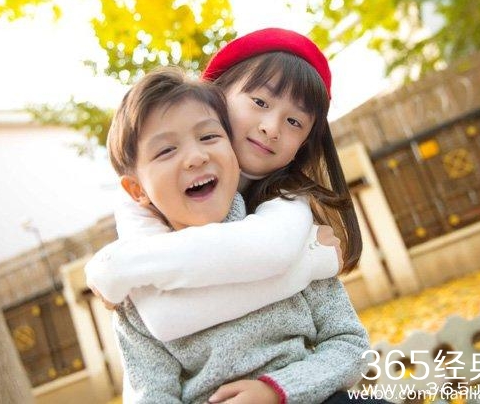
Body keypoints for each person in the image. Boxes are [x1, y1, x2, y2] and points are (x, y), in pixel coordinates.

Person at [103, 65, 371, 404]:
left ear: (232, 147)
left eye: (208, 137)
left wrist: (277, 390)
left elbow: (350, 344)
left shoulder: (294, 239)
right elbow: (152, 395)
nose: (196, 157)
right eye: (166, 150)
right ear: (136, 189)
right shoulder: (138, 288)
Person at [85, 28, 362, 343]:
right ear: (217, 95)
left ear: (304, 145)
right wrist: (309, 262)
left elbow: (269, 251)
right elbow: (162, 316)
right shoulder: (143, 196)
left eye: (294, 122)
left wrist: (123, 267)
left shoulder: (288, 199)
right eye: (259, 101)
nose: (271, 128)